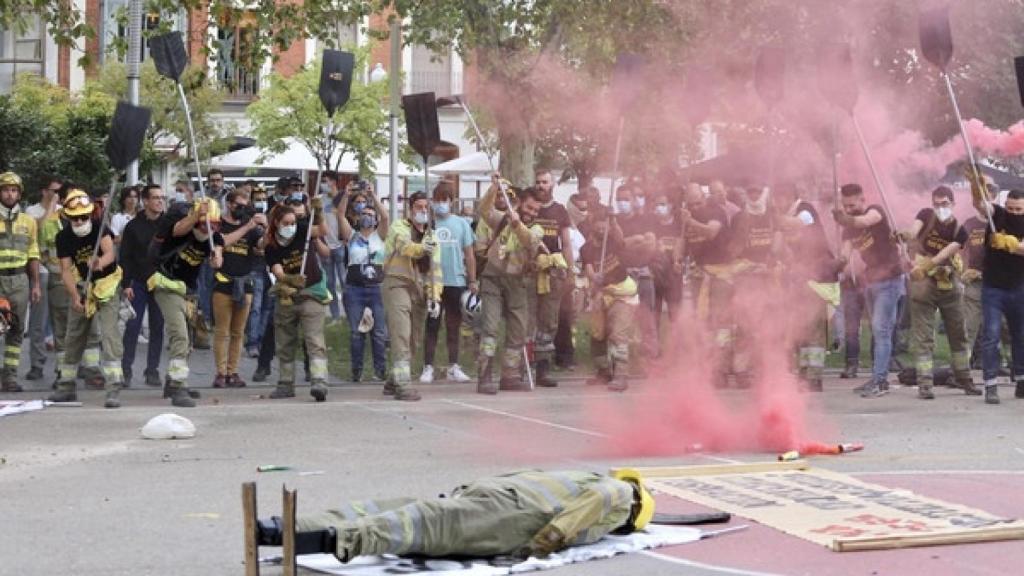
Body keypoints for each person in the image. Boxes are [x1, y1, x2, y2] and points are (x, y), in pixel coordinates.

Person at [255, 468, 654, 564]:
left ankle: (285, 530)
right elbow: (572, 520)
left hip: (500, 500)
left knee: (396, 510)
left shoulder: (590, 479)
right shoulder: (621, 494)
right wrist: (537, 548)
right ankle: (311, 536)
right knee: (418, 519)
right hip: (512, 513)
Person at [894, 186, 979, 399]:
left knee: (959, 335)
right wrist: (905, 235)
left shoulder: (960, 230)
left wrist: (925, 266)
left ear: (953, 204)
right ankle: (925, 384)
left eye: (945, 204)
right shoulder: (925, 215)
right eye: (937, 203)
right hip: (924, 285)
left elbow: (945, 253)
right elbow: (914, 231)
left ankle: (964, 378)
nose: (940, 208)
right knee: (923, 337)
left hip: (948, 282)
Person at [46, 189, 124, 407]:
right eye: (75, 217)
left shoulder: (99, 229)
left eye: (84, 217)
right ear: (67, 217)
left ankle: (113, 389)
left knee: (109, 335)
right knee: (73, 336)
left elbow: (111, 253)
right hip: (84, 286)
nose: (80, 221)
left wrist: (100, 262)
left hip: (108, 285)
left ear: (90, 214)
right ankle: (66, 387)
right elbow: (65, 270)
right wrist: (74, 297)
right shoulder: (63, 237)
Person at [148, 197, 225, 407]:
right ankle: (179, 387)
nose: (207, 230)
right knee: (179, 335)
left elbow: (218, 250)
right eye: (203, 225)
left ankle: (172, 381)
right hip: (167, 285)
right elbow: (179, 229)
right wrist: (195, 215)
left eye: (214, 225)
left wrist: (217, 258)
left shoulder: (213, 237)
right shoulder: (180, 229)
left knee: (188, 341)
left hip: (188, 291)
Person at [833, 183, 906, 398]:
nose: (849, 209)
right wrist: (835, 265)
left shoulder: (875, 211)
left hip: (890, 278)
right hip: (872, 280)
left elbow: (866, 220)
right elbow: (845, 256)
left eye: (852, 204)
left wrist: (846, 218)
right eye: (845, 206)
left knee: (880, 329)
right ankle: (877, 377)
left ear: (862, 199)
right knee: (878, 330)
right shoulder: (848, 229)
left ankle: (880, 381)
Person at [475, 179, 543, 394]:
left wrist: (517, 224)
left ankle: (510, 375)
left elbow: (531, 241)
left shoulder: (537, 229)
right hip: (493, 279)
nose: (532, 213)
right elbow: (484, 210)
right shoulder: (503, 219)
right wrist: (493, 188)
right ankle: (484, 375)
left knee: (518, 330)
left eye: (536, 210)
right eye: (529, 207)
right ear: (520, 203)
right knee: (491, 327)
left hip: (517, 283)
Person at [264, 199, 331, 401]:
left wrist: (318, 212)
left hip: (312, 293)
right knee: (285, 342)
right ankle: (285, 384)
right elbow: (277, 270)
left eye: (293, 222)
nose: (291, 227)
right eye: (286, 223)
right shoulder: (271, 245)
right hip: (288, 296)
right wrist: (289, 279)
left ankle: (319, 381)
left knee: (314, 339)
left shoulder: (302, 230)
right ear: (276, 223)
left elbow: (322, 231)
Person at [966, 172, 1024, 405]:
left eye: (1019, 210)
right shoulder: (996, 215)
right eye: (1011, 209)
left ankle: (1021, 379)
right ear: (1005, 205)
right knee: (990, 335)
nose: (1015, 213)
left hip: (1019, 286)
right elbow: (982, 205)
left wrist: (1010, 243)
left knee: (1020, 335)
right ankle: (990, 384)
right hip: (993, 288)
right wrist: (975, 185)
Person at [777, 186, 841, 392]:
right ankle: (805, 374)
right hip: (803, 279)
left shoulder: (805, 209)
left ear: (791, 196)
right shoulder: (787, 215)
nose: (778, 202)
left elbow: (793, 223)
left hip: (818, 278)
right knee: (802, 328)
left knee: (813, 328)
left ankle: (814, 377)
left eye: (781, 196)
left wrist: (770, 218)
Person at [381, 190, 443, 401]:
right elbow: (403, 246)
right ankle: (403, 385)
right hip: (397, 283)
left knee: (413, 339)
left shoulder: (432, 236)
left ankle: (393, 379)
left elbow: (435, 270)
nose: (423, 211)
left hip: (418, 290)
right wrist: (420, 248)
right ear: (410, 209)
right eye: (419, 207)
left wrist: (435, 297)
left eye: (426, 208)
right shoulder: (399, 226)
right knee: (401, 332)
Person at [421, 182, 476, 384]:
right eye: (437, 200)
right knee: (432, 324)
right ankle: (428, 367)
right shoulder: (428, 223)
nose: (440, 204)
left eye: (444, 200)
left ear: (451, 202)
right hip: (434, 283)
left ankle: (454, 366)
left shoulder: (461, 224)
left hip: (456, 281)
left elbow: (469, 255)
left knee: (454, 325)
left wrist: (472, 279)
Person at [211, 190, 266, 388]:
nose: (242, 210)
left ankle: (233, 371)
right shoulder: (218, 224)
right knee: (222, 331)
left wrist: (268, 228)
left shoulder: (251, 227)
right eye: (239, 205)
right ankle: (221, 372)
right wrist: (247, 226)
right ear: (229, 204)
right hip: (223, 283)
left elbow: (261, 246)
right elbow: (222, 241)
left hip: (245, 283)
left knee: (238, 332)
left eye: (246, 206)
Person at [679, 183, 730, 386]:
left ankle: (722, 369)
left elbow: (711, 232)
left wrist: (691, 221)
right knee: (702, 322)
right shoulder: (685, 216)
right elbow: (682, 239)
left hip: (720, 273)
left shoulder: (715, 211)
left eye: (698, 202)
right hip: (698, 274)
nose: (695, 207)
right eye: (691, 204)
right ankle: (705, 366)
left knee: (720, 322)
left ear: (704, 198)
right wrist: (677, 257)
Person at [337, 182, 389, 383]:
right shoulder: (352, 236)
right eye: (363, 214)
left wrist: (373, 196)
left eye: (370, 214)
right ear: (358, 218)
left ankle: (380, 370)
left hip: (376, 288)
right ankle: (356, 370)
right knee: (356, 333)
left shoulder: (380, 236)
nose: (367, 217)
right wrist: (345, 195)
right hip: (355, 289)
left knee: (378, 332)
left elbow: (385, 216)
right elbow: (340, 216)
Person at [581, 207, 637, 392]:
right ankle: (604, 371)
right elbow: (589, 268)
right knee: (597, 334)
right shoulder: (586, 248)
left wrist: (613, 221)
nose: (601, 228)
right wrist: (593, 277)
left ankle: (621, 375)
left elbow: (620, 237)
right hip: (602, 293)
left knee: (618, 333)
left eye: (604, 223)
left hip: (622, 293)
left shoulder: (614, 240)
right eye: (598, 223)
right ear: (592, 225)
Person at [528, 169, 573, 387]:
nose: (540, 186)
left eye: (544, 182)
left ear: (552, 184)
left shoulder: (560, 210)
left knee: (548, 321)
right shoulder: (529, 209)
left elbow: (566, 243)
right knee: (528, 319)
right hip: (530, 271)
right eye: (537, 182)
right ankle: (524, 366)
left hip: (553, 272)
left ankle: (543, 369)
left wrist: (570, 271)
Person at [120, 184, 166, 388]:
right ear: (145, 201)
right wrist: (126, 283)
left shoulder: (168, 225)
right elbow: (126, 257)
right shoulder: (132, 227)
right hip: (137, 283)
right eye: (155, 198)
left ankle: (152, 370)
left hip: (161, 283)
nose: (159, 201)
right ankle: (125, 370)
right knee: (132, 327)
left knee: (158, 327)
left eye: (161, 198)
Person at [0, 172, 41, 392]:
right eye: (6, 189)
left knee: (15, 331)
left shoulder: (29, 222)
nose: (10, 193)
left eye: (14, 190)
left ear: (19, 193)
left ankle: (10, 378)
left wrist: (35, 285)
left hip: (20, 282)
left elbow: (33, 255)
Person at [613, 184, 659, 361]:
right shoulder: (614, 221)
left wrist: (625, 243)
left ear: (633, 200)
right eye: (619, 199)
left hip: (643, 274)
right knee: (620, 319)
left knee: (646, 318)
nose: (622, 203)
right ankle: (620, 360)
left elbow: (650, 245)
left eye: (626, 199)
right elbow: (615, 246)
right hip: (620, 276)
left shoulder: (646, 220)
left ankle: (650, 360)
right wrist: (636, 240)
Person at [24, 176, 62, 382]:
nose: (56, 195)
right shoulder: (32, 211)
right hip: (40, 270)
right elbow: (37, 228)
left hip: (60, 270)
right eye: (53, 190)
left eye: (59, 191)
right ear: (44, 191)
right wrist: (51, 209)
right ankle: (37, 364)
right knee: (38, 321)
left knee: (61, 322)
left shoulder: (65, 211)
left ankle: (63, 367)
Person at [650, 189, 684, 332]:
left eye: (662, 204)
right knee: (654, 313)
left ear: (670, 205)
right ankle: (654, 348)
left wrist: (677, 260)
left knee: (674, 312)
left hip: (673, 273)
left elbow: (681, 245)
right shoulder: (652, 225)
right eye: (657, 205)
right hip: (655, 273)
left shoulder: (679, 224)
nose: (659, 207)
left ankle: (678, 347)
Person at [245, 185, 272, 359]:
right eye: (258, 199)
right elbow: (254, 247)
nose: (261, 203)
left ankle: (263, 340)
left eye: (264, 199)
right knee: (255, 307)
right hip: (254, 267)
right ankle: (252, 342)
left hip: (270, 269)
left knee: (268, 307)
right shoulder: (248, 221)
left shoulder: (270, 220)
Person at [321, 171, 347, 323]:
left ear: (334, 182)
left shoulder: (342, 198)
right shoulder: (319, 200)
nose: (323, 184)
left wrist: (345, 238)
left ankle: (350, 313)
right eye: (322, 181)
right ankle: (335, 316)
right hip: (326, 246)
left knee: (344, 282)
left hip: (340, 245)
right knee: (329, 283)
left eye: (326, 181)